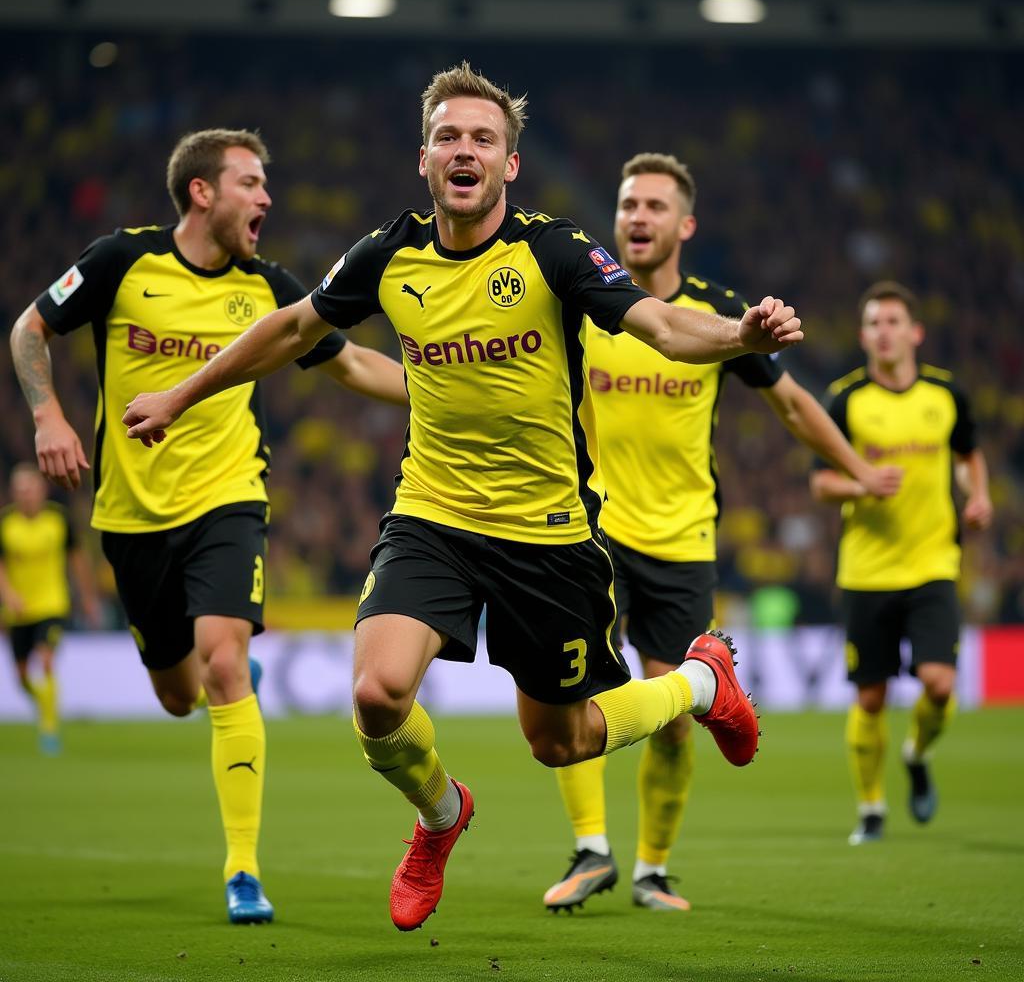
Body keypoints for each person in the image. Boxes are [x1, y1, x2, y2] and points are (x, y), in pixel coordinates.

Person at [120, 63, 804, 933]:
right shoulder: (388, 255)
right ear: (424, 158)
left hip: (546, 534)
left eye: (484, 138)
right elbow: (293, 329)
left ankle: (702, 683)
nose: (465, 149)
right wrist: (179, 396)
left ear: (510, 165)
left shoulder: (553, 251)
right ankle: (441, 815)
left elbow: (662, 326)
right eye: (450, 136)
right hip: (432, 517)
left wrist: (737, 333)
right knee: (376, 697)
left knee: (565, 741)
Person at [10, 128, 408, 923]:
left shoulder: (269, 288)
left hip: (229, 500)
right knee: (177, 692)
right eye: (251, 183)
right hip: (129, 517)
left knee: (224, 665)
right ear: (202, 192)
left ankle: (243, 872)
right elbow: (29, 330)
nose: (266, 199)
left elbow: (353, 363)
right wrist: (48, 415)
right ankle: (216, 681)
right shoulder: (123, 262)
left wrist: (448, 390)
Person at [542, 153, 904, 914]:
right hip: (592, 528)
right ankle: (590, 849)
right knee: (572, 690)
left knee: (673, 720)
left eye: (653, 206)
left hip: (682, 542)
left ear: (685, 225)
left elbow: (795, 405)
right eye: (628, 203)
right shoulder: (585, 299)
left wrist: (859, 469)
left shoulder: (717, 312)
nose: (637, 216)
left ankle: (651, 869)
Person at [810, 280, 992, 845]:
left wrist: (979, 494)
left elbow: (967, 455)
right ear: (863, 336)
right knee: (871, 696)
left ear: (914, 332)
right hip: (866, 569)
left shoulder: (946, 395)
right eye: (873, 323)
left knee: (939, 684)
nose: (883, 332)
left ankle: (915, 753)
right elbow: (820, 484)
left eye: (893, 321)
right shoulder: (846, 399)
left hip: (934, 561)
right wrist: (861, 484)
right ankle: (870, 808)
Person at [0, 463, 101, 754]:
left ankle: (49, 729)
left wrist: (88, 597)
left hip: (52, 604)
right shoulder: (6, 524)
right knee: (21, 677)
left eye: (30, 488)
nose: (26, 495)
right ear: (12, 493)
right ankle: (43, 702)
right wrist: (8, 595)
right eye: (20, 490)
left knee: (45, 659)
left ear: (41, 490)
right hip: (18, 611)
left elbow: (77, 559)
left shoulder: (58, 520)